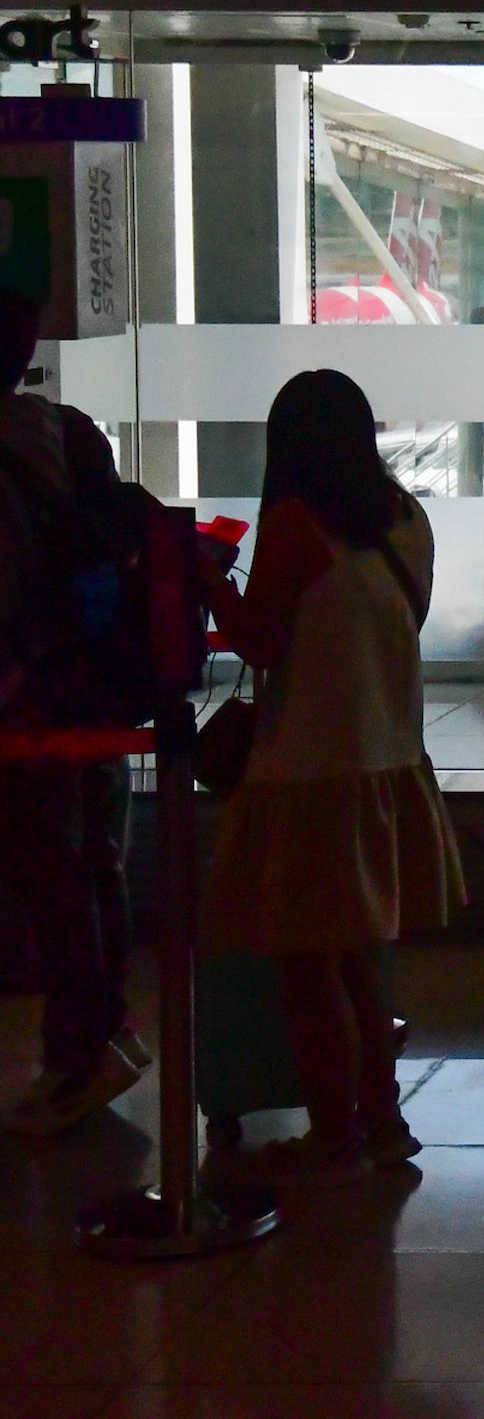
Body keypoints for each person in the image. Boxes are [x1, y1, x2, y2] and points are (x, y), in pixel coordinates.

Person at [200, 369, 464, 1186]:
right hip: (387, 762)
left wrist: (209, 580)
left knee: (309, 971)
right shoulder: (406, 518)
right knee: (357, 963)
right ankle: (382, 1122)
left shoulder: (294, 523)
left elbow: (262, 643)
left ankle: (335, 1136)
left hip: (308, 773)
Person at [0, 288, 150, 1136]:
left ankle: (77, 1054)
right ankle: (102, 1032)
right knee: (95, 861)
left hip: (25, 699)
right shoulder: (67, 430)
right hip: (96, 686)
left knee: (50, 876)